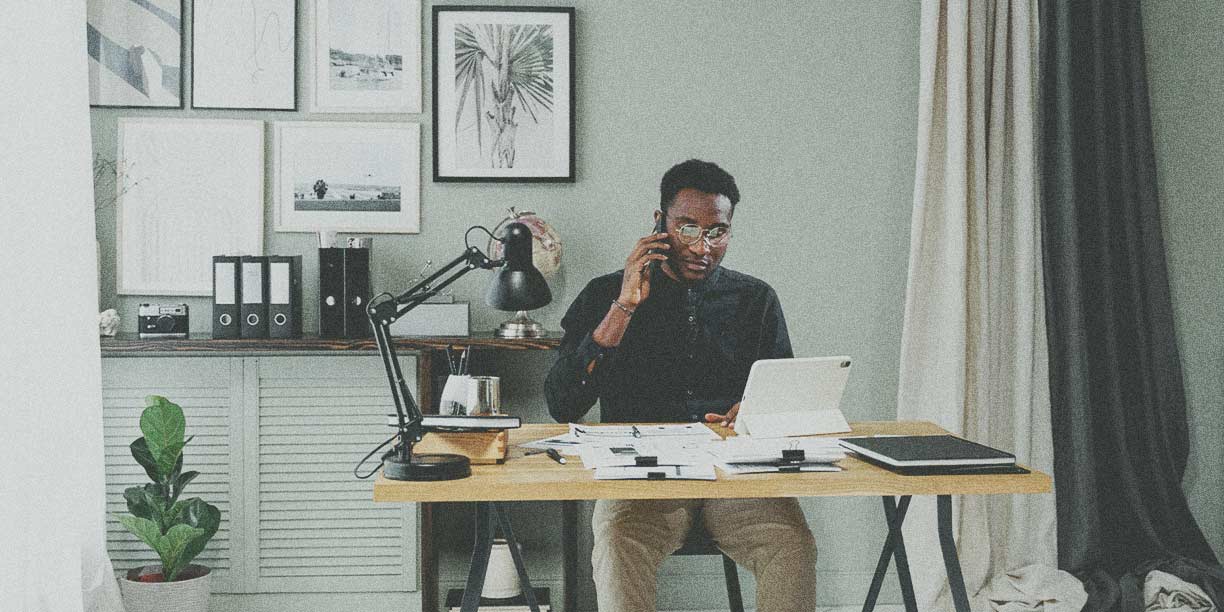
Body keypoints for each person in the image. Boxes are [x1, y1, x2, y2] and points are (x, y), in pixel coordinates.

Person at [544, 159, 817, 612]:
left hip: (733, 474)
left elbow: (779, 402)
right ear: (659, 225)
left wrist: (750, 412)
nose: (702, 247)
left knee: (793, 545)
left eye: (718, 232)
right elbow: (562, 404)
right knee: (616, 545)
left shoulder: (756, 299)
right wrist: (625, 305)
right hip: (640, 477)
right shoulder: (604, 294)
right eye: (687, 229)